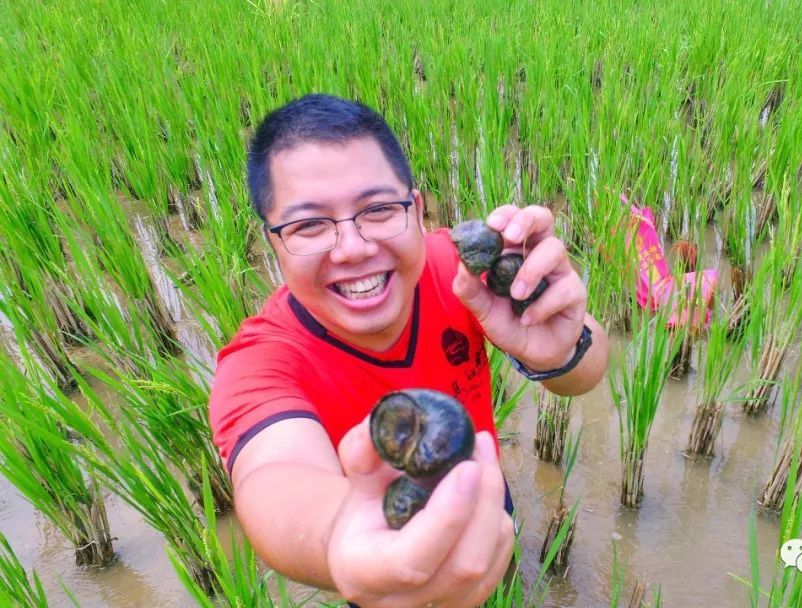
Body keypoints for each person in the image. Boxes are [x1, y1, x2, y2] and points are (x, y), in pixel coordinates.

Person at [208, 93, 609, 608]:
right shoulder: (259, 362)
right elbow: (274, 481)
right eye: (309, 225)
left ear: (417, 211)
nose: (352, 248)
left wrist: (556, 351)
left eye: (377, 210)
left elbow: (588, 371)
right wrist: (346, 539)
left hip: (481, 492)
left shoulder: (463, 274)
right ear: (274, 242)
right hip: (376, 541)